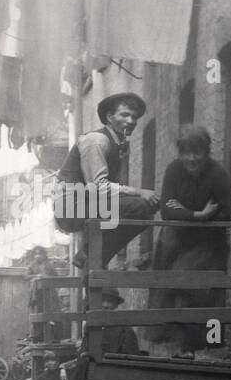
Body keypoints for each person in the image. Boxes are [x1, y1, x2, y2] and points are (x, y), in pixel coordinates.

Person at [150, 125, 231, 357]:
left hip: (208, 244)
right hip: (176, 242)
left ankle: (211, 346)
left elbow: (227, 211)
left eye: (197, 152)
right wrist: (198, 215)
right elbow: (167, 207)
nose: (191, 158)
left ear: (206, 153)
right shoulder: (174, 170)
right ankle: (179, 347)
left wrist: (195, 220)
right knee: (171, 289)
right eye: (186, 152)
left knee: (207, 294)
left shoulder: (217, 174)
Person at [54, 92, 159, 270]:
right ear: (110, 117)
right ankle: (92, 258)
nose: (131, 121)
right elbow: (98, 187)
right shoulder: (97, 140)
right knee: (143, 206)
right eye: (124, 115)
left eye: (134, 117)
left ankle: (89, 255)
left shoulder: (119, 144)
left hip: (90, 202)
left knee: (148, 207)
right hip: (71, 207)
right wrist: (139, 192)